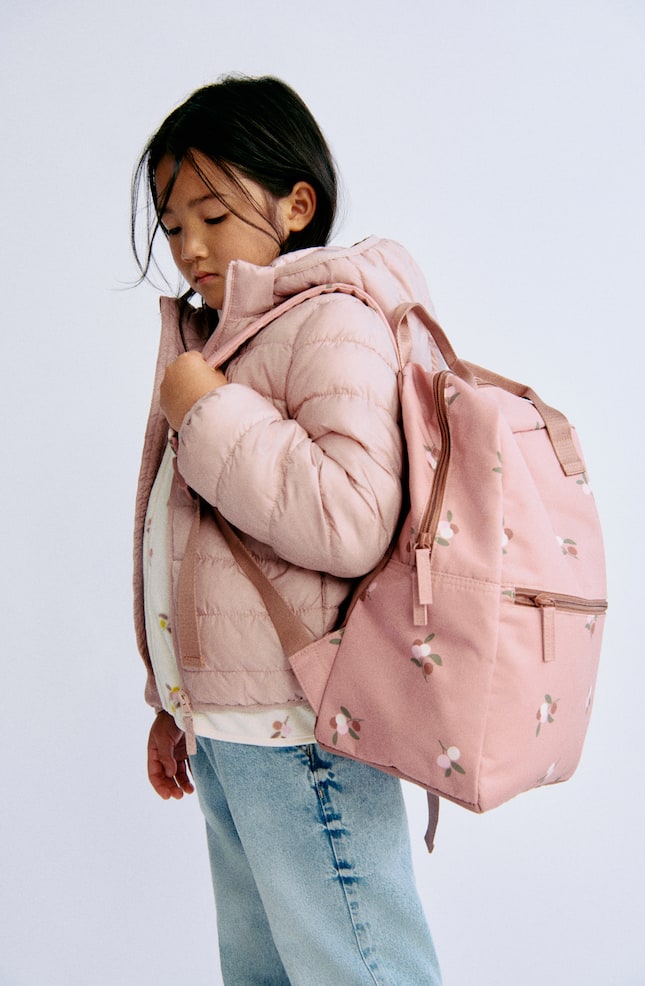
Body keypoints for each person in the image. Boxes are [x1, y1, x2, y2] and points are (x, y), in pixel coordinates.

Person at [131, 74, 443, 985]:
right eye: (171, 225)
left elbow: (349, 520)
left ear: (295, 205)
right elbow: (190, 543)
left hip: (306, 726)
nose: (189, 247)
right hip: (231, 727)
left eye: (212, 215)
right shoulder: (218, 339)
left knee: (359, 968)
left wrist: (209, 411)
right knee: (263, 968)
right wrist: (172, 700)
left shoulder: (333, 321)